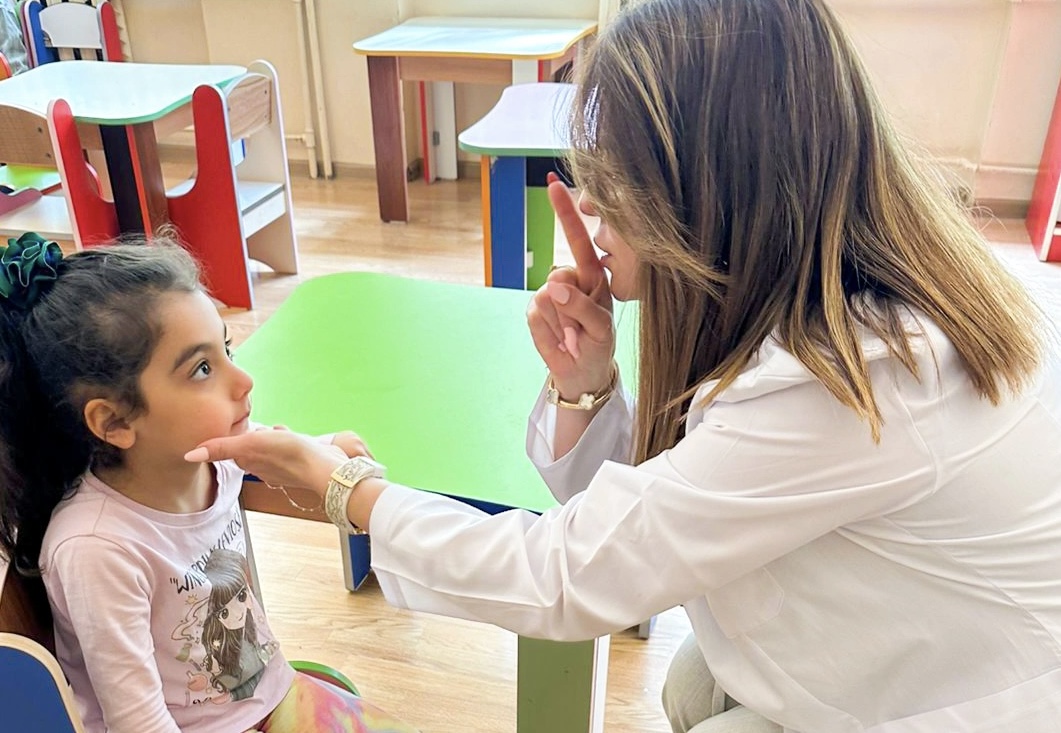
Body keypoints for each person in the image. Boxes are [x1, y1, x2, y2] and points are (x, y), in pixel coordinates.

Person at [187, 0, 1061, 730]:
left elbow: (568, 574)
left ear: (709, 187)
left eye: (615, 188)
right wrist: (589, 385)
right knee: (695, 680)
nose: (592, 215)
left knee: (699, 686)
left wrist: (345, 487)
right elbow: (665, 508)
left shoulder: (857, 378)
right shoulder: (835, 295)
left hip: (965, 693)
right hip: (893, 628)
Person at [0, 234, 417, 733]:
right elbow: (139, 722)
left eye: (226, 348)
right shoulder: (96, 548)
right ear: (114, 422)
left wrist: (323, 448)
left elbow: (274, 449)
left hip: (266, 696)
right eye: (202, 368)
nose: (243, 381)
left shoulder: (215, 457)